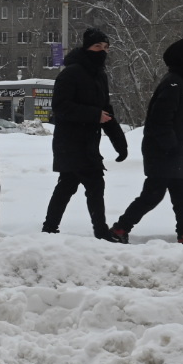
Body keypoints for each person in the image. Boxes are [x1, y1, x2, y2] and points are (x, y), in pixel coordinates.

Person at [111, 38, 183, 245]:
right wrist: (172, 148)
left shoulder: (180, 81)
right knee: (152, 196)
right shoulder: (173, 83)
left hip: (175, 154)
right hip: (165, 155)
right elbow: (160, 121)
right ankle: (120, 229)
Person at [42, 28, 127, 240]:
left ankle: (49, 229)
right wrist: (93, 115)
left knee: (68, 185)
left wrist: (119, 141)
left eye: (106, 47)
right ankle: (99, 231)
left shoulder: (100, 76)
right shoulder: (71, 72)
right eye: (97, 46)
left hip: (88, 141)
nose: (102, 51)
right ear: (86, 47)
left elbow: (106, 111)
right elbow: (60, 107)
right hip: (70, 141)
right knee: (93, 184)